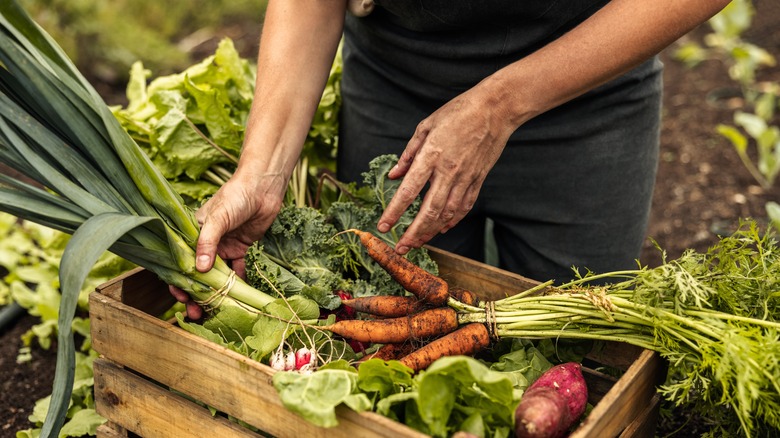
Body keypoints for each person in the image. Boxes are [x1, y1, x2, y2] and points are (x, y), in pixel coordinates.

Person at [170, 0, 731, 319]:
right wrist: (263, 173)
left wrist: (500, 104)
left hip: (586, 96)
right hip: (398, 84)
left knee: (572, 352)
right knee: (379, 322)